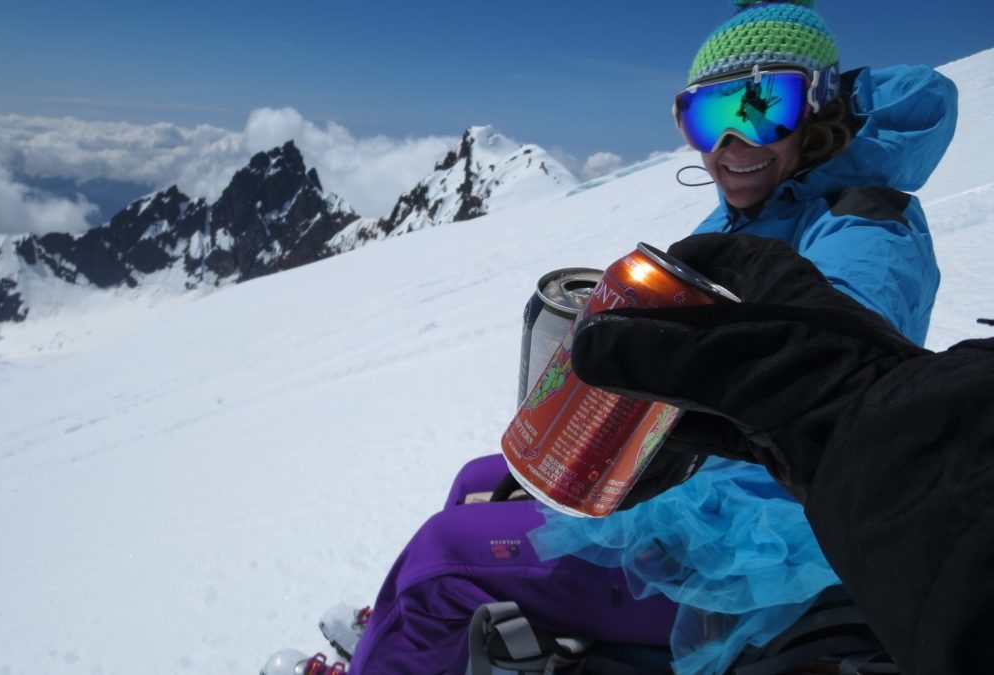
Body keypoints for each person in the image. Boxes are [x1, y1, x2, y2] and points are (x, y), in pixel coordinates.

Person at [274, 1, 957, 673]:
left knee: (439, 558)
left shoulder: (863, 231)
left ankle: (413, 622)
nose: (732, 142)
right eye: (707, 116)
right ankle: (415, 637)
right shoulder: (754, 220)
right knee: (483, 478)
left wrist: (642, 468)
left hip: (759, 552)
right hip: (710, 501)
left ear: (820, 105)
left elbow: (825, 381)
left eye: (763, 106)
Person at [569, 231, 994, 675]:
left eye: (756, 151)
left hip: (759, 536)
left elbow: (823, 346)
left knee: (487, 557)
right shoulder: (740, 223)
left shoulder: (869, 229)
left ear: (813, 153)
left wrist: (847, 411)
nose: (731, 156)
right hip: (769, 486)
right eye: (705, 153)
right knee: (487, 476)